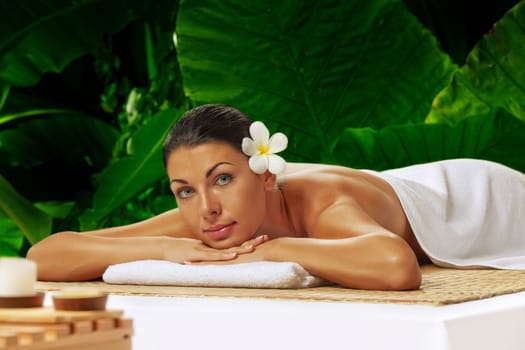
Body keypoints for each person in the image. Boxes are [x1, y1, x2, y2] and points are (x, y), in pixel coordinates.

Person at [27, 104, 525, 290]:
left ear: (265, 175)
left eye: (222, 178)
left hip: (478, 197)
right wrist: (161, 247)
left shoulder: (324, 203)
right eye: (184, 190)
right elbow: (46, 255)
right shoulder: (208, 213)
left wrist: (273, 249)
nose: (206, 207)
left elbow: (396, 265)